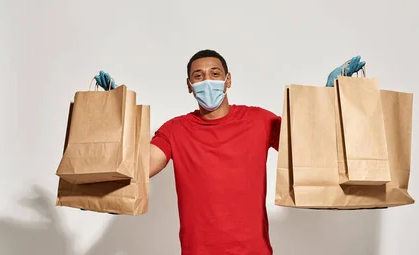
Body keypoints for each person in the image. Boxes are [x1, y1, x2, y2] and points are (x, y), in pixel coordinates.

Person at [94, 50, 365, 255]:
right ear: (189, 85)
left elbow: (307, 146)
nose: (207, 82)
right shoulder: (175, 130)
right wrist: (116, 116)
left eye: (214, 74)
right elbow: (139, 166)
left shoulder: (259, 121)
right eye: (198, 76)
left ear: (228, 80)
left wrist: (329, 96)